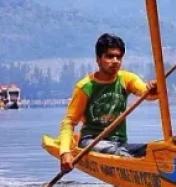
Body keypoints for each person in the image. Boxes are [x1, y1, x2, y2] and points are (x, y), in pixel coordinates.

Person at [58, 33, 158, 172]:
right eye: (110, 56)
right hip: (91, 142)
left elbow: (146, 93)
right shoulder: (85, 87)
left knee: (157, 151)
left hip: (120, 143)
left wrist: (154, 89)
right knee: (122, 155)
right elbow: (69, 122)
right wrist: (65, 152)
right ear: (98, 60)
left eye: (119, 57)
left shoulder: (126, 79)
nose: (115, 61)